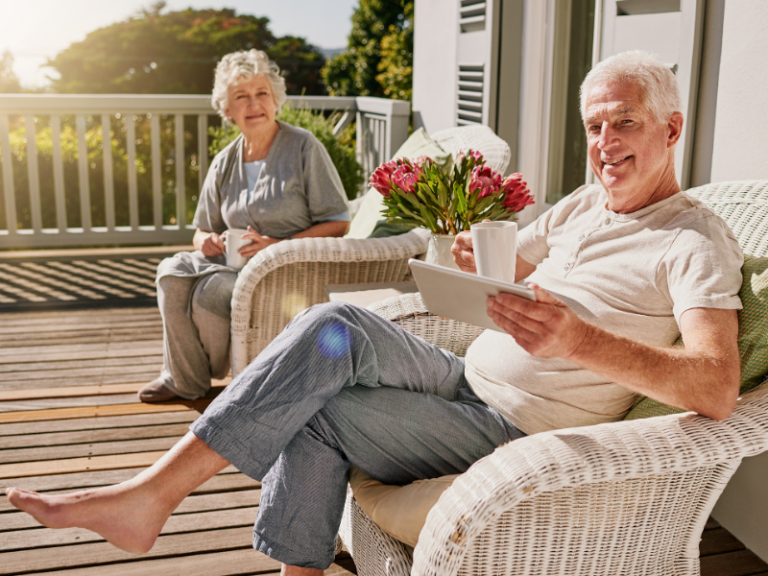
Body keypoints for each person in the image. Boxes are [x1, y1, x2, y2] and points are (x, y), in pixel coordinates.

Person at [6, 51, 743, 576]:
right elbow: (517, 266)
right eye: (594, 128)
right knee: (333, 331)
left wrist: (579, 339)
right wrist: (476, 263)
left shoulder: (693, 239)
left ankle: (155, 501)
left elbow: (715, 386)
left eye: (624, 126)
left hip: (513, 423)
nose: (604, 147)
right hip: (461, 373)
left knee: (315, 404)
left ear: (670, 131)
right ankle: (154, 500)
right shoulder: (587, 203)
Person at [139, 49, 351, 403]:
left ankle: (216, 376)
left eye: (261, 93)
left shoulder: (303, 147)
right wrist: (207, 241)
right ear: (228, 110)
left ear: (276, 100)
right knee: (171, 273)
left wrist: (275, 245)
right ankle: (184, 379)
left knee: (211, 291)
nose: (254, 104)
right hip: (233, 263)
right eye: (242, 96)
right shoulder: (225, 161)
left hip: (285, 268)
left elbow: (338, 222)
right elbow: (201, 230)